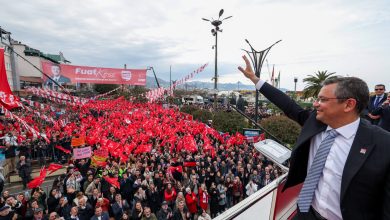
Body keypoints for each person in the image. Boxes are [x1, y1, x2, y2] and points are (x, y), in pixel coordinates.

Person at [239, 55, 390, 220]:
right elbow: (287, 104)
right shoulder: (314, 122)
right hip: (305, 213)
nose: (315, 104)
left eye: (322, 99)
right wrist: (255, 79)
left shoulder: (383, 144)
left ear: (348, 104)